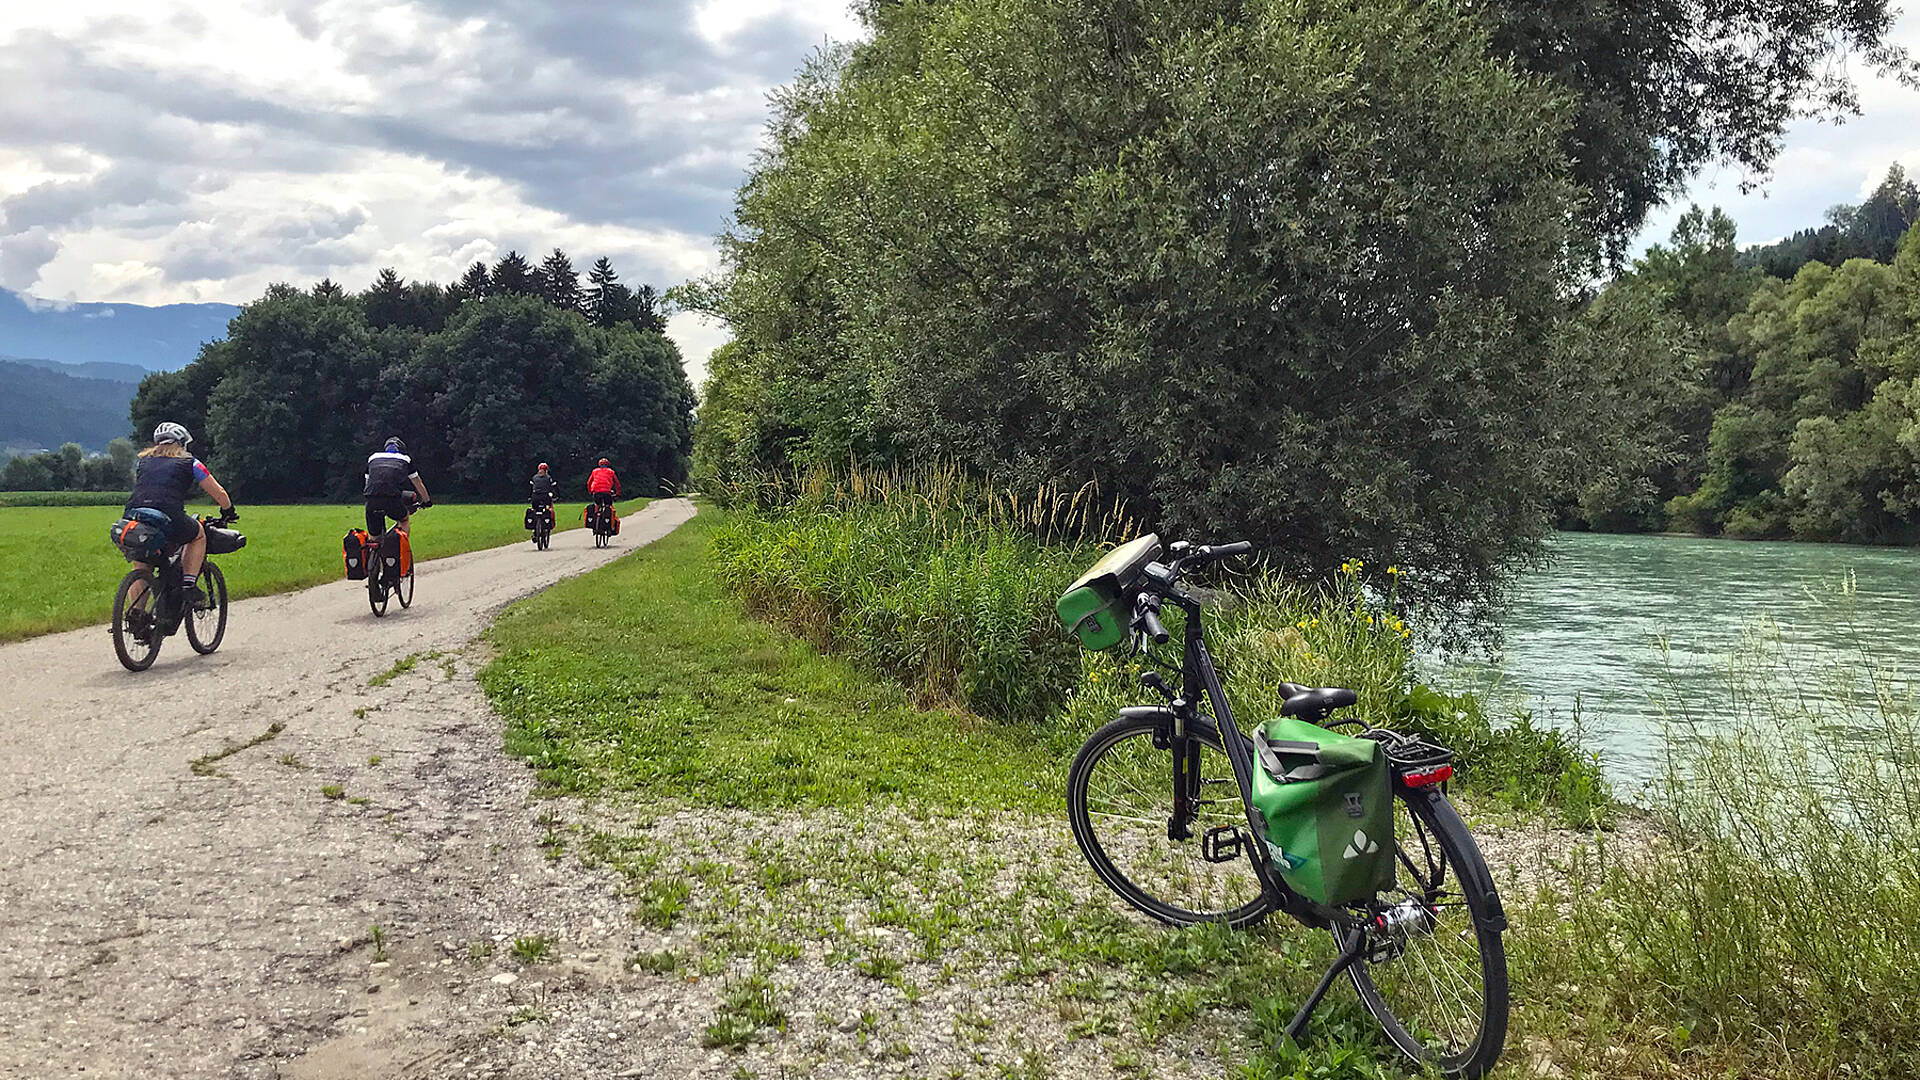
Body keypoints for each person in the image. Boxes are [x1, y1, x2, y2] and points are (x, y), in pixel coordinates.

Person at [123, 422, 235, 615]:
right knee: (198, 535)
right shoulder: (190, 462)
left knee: (142, 564)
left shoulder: (143, 461)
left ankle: (136, 616)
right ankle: (189, 586)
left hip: (135, 517)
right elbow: (219, 492)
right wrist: (228, 511)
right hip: (169, 516)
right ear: (182, 443)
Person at [364, 436, 432, 539]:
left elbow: (368, 483)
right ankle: (401, 548)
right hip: (391, 498)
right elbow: (418, 483)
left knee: (375, 536)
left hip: (372, 499)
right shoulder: (405, 459)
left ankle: (373, 552)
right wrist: (427, 501)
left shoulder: (373, 457)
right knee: (403, 519)